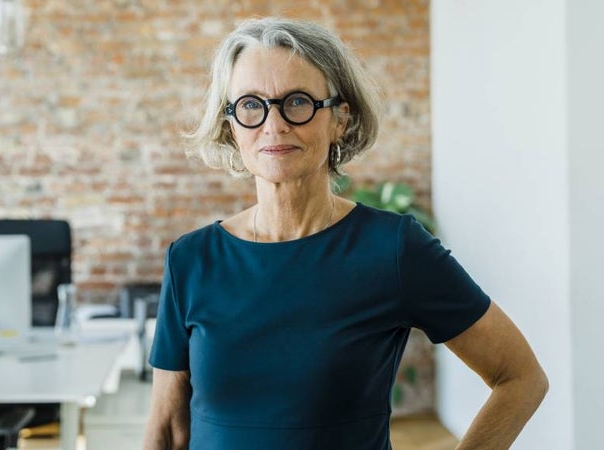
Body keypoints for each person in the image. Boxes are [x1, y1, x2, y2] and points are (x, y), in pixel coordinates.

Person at [143, 17, 548, 450]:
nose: (273, 125)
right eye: (250, 105)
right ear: (230, 124)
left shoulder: (393, 248)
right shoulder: (191, 260)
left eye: (297, 102)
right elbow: (168, 428)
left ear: (339, 118)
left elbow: (521, 378)